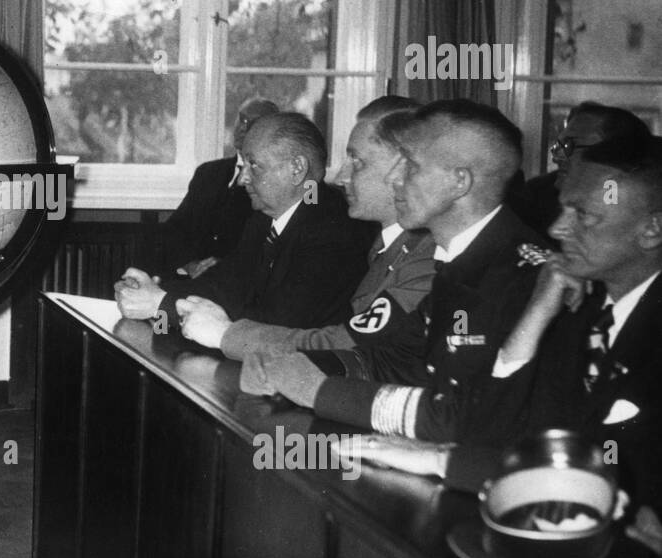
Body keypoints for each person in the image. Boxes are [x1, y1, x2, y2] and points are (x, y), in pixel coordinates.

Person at [361, 135, 662, 556]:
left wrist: (439, 461)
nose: (558, 228)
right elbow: (490, 432)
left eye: (584, 216)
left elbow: (598, 483)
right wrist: (535, 318)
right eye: (563, 207)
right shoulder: (580, 306)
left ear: (652, 229)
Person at [242, 99, 545, 447]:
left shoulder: (523, 277)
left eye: (411, 166)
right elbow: (397, 359)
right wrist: (290, 363)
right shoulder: (462, 259)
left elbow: (470, 415)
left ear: (459, 182)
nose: (394, 179)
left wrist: (318, 390)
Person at [178, 96, 436, 374]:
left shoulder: (420, 255)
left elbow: (350, 345)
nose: (340, 178)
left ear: (403, 170)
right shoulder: (387, 247)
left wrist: (226, 335)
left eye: (358, 162)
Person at [115, 111, 375, 331]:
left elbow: (277, 322)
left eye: (254, 165)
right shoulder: (263, 220)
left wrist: (161, 304)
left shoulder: (334, 228)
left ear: (297, 169)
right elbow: (222, 286)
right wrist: (155, 292)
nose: (242, 179)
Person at [157, 97, 278, 280]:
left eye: (253, 123)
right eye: (241, 119)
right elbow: (175, 230)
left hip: (239, 284)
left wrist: (223, 269)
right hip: (191, 277)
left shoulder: (274, 182)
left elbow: (266, 247)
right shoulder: (208, 173)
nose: (243, 128)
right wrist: (191, 265)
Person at [511, 101, 651, 238]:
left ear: (618, 152)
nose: (557, 157)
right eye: (558, 146)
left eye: (570, 146)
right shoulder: (537, 195)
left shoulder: (647, 203)